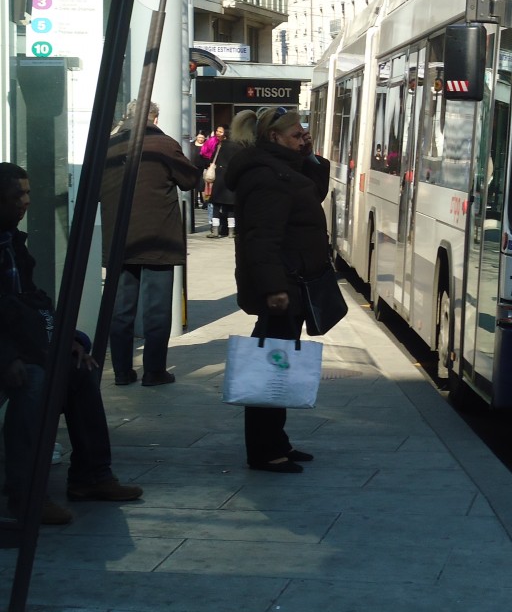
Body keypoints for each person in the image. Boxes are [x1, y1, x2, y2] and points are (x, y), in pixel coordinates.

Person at [0, 163, 143, 525]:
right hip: (9, 352)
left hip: (22, 345)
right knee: (34, 385)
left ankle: (92, 476)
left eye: (29, 193)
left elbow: (33, 300)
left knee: (79, 372)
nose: (26, 202)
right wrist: (8, 357)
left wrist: (68, 339)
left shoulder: (13, 243)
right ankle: (26, 495)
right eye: (18, 195)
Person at [226, 107, 331, 473]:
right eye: (297, 136)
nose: (304, 140)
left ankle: (276, 442)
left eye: (305, 135)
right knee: (270, 369)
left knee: (276, 366)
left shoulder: (284, 169)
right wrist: (274, 288)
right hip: (283, 285)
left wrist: (311, 156)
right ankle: (265, 450)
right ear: (274, 138)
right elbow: (262, 238)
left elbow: (313, 193)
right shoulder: (267, 176)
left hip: (292, 281)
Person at [101, 100, 202, 386]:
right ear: (154, 118)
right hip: (158, 240)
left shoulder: (107, 145)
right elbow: (189, 180)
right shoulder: (163, 144)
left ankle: (122, 371)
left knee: (121, 309)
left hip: (119, 239)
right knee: (156, 310)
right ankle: (154, 371)